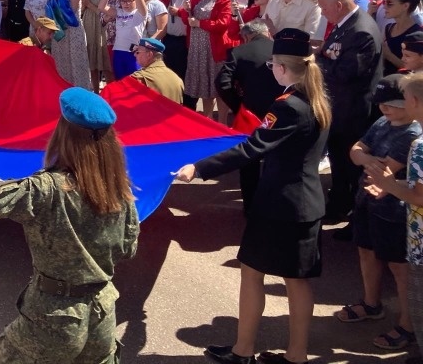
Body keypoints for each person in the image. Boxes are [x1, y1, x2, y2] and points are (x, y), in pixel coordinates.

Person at [0, 88, 138, 364]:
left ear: (63, 135)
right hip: (102, 312)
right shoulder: (120, 189)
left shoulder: (48, 189)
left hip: (56, 318)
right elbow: (128, 248)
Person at [177, 28, 332, 364]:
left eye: (273, 65)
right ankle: (296, 356)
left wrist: (199, 168)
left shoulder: (288, 107)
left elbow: (252, 149)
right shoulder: (317, 100)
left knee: (252, 271)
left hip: (279, 204)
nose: (271, 69)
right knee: (297, 281)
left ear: (283, 68)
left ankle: (243, 351)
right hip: (305, 202)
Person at [335, 75, 421, 353]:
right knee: (366, 251)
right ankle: (371, 304)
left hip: (395, 210)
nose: (385, 108)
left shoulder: (412, 134)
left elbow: (384, 171)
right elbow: (355, 151)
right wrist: (368, 158)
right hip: (368, 200)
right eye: (382, 103)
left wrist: (366, 159)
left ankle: (408, 325)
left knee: (400, 268)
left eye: (393, 103)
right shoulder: (382, 122)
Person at [363, 71, 423, 364]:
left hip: (419, 234)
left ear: (415, 102)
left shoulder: (419, 144)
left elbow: (419, 196)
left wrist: (387, 183)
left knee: (417, 293)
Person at [318, 0, 384, 226]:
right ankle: (339, 203)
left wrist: (316, 65)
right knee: (339, 160)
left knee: (353, 166)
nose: (322, 12)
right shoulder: (344, 24)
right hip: (339, 108)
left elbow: (346, 72)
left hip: (353, 112)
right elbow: (329, 53)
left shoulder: (361, 31)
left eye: (324, 7)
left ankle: (356, 219)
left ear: (338, 5)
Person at [215, 20, 284, 212]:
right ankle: (276, 203)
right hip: (281, 110)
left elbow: (222, 82)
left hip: (250, 113)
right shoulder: (281, 49)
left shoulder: (238, 52)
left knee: (249, 158)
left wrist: (238, 105)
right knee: (278, 158)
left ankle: (251, 207)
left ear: (246, 37)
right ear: (267, 32)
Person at [174, 0, 236, 119]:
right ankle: (207, 119)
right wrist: (185, 10)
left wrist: (200, 23)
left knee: (218, 88)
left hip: (213, 49)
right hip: (197, 47)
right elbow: (189, 19)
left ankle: (222, 121)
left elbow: (223, 23)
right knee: (205, 87)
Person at [80, 0, 113, 91]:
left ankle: (111, 90)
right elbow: (83, 8)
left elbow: (104, 10)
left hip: (101, 24)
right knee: (91, 59)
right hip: (88, 22)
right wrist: (84, 5)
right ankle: (95, 90)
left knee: (105, 58)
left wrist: (89, 4)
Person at [382, 0, 423, 76]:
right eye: (384, 2)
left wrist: (389, 55)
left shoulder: (417, 34)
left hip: (404, 82)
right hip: (386, 80)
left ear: (405, 6)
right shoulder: (388, 28)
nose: (384, 7)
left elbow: (414, 68)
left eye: (389, 3)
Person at [129, 37, 184, 103]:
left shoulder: (139, 78)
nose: (134, 55)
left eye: (137, 52)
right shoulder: (178, 80)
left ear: (149, 54)